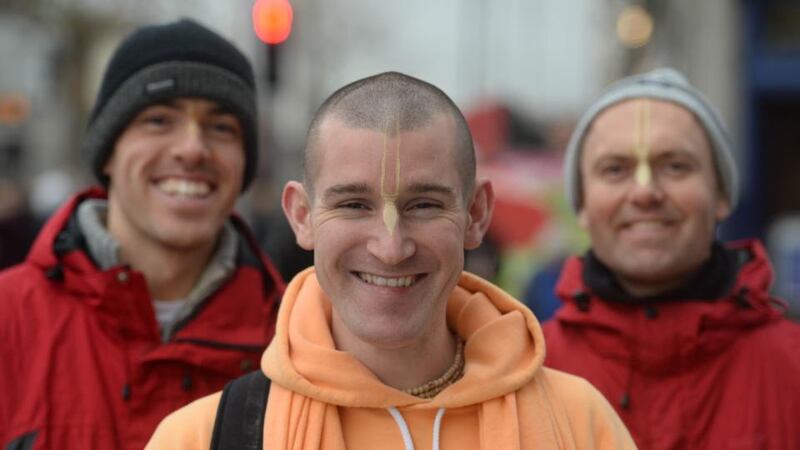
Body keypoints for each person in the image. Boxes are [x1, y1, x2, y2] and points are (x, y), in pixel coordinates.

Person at [146, 72, 635, 450]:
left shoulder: (578, 423)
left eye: (423, 205)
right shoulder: (203, 437)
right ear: (301, 216)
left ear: (476, 214)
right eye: (353, 205)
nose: (391, 247)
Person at [0, 19, 284, 450]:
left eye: (222, 127)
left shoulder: (297, 343)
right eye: (158, 120)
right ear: (108, 151)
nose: (192, 148)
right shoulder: (9, 322)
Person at [542, 68, 800, 449]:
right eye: (615, 169)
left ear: (723, 196)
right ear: (582, 205)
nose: (645, 193)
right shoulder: (525, 375)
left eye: (676, 166)